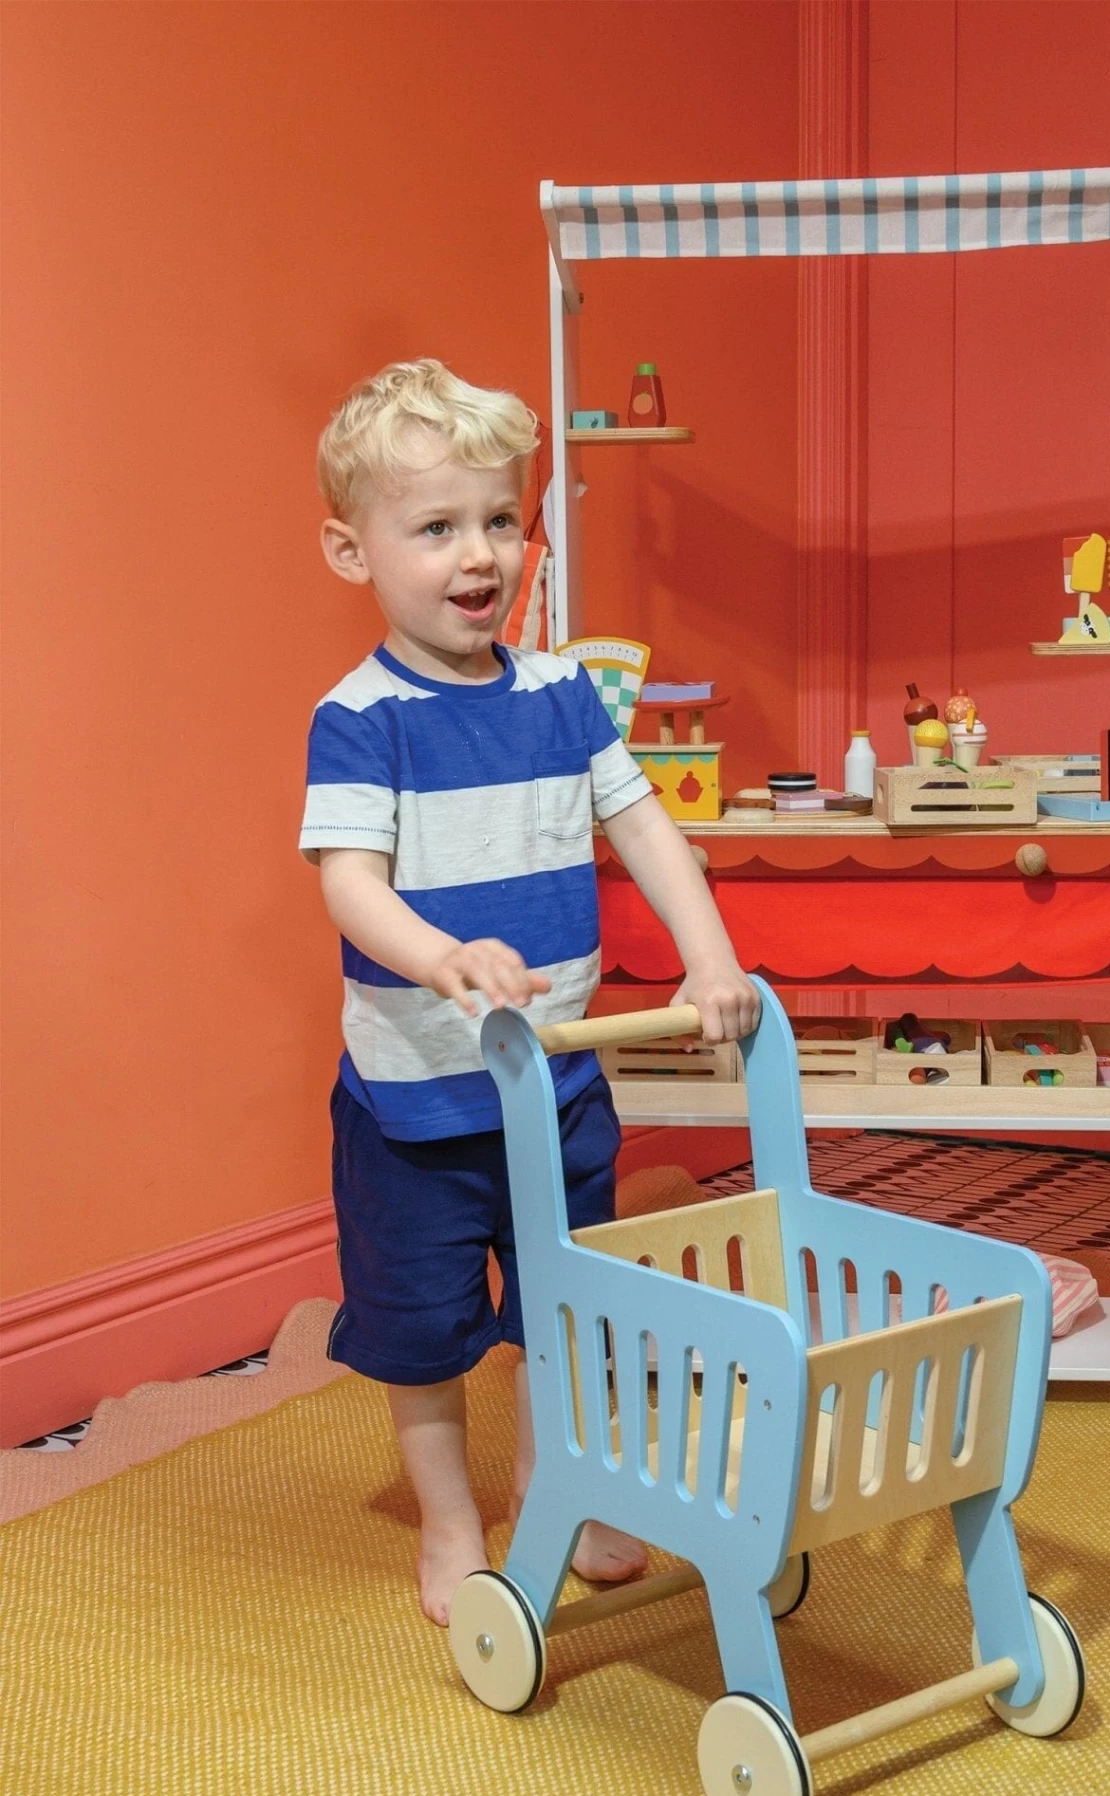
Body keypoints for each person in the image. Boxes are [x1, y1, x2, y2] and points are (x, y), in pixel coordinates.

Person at [300, 359, 759, 1625]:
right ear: (352, 551)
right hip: (416, 1105)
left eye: (501, 519)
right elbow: (349, 882)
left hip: (554, 1088)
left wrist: (711, 955)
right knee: (424, 1330)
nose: (479, 553)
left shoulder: (563, 696)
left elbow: (647, 825)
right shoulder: (361, 718)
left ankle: (564, 1491)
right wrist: (438, 955)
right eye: (436, 526)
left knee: (571, 1310)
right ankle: (452, 1524)